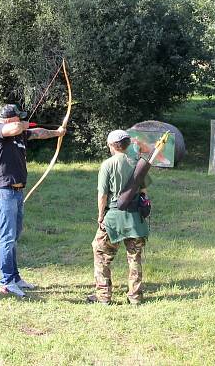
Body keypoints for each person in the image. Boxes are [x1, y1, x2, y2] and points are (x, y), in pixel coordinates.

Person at [0, 104, 65, 297]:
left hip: (17, 191)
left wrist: (57, 132)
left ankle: (15, 277)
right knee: (7, 237)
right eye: (18, 117)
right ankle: (6, 282)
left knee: (14, 235)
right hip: (2, 191)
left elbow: (37, 133)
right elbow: (14, 128)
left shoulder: (20, 134)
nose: (22, 121)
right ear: (10, 119)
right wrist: (22, 124)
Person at [88, 129, 151, 305]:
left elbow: (103, 195)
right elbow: (144, 191)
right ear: (127, 144)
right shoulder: (137, 163)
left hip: (114, 217)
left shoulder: (107, 165)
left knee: (100, 252)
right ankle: (135, 297)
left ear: (111, 146)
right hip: (135, 218)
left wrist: (101, 216)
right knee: (134, 258)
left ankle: (103, 296)